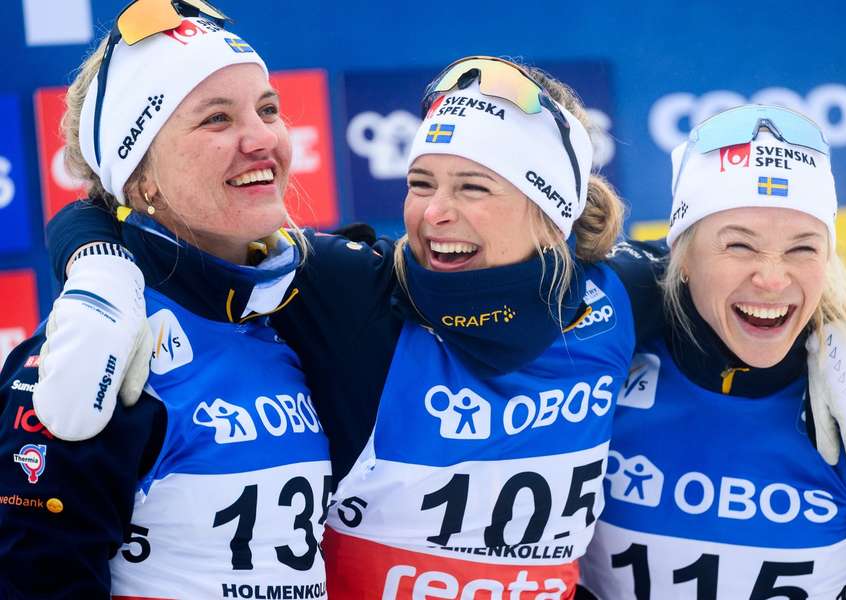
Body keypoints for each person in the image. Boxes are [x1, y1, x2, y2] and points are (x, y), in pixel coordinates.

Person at [38, 55, 637, 598]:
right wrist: (98, 265)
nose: (434, 214)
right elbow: (122, 206)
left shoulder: (617, 298)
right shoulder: (355, 290)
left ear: (552, 210)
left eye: (473, 188)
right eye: (420, 184)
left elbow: (717, 274)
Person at [0, 3, 331, 598]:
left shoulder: (310, 306)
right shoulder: (95, 347)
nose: (261, 138)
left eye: (268, 109)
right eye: (216, 120)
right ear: (140, 176)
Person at [578, 105, 846, 598]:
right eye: (739, 246)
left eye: (802, 248)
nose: (772, 279)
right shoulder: (605, 348)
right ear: (683, 258)